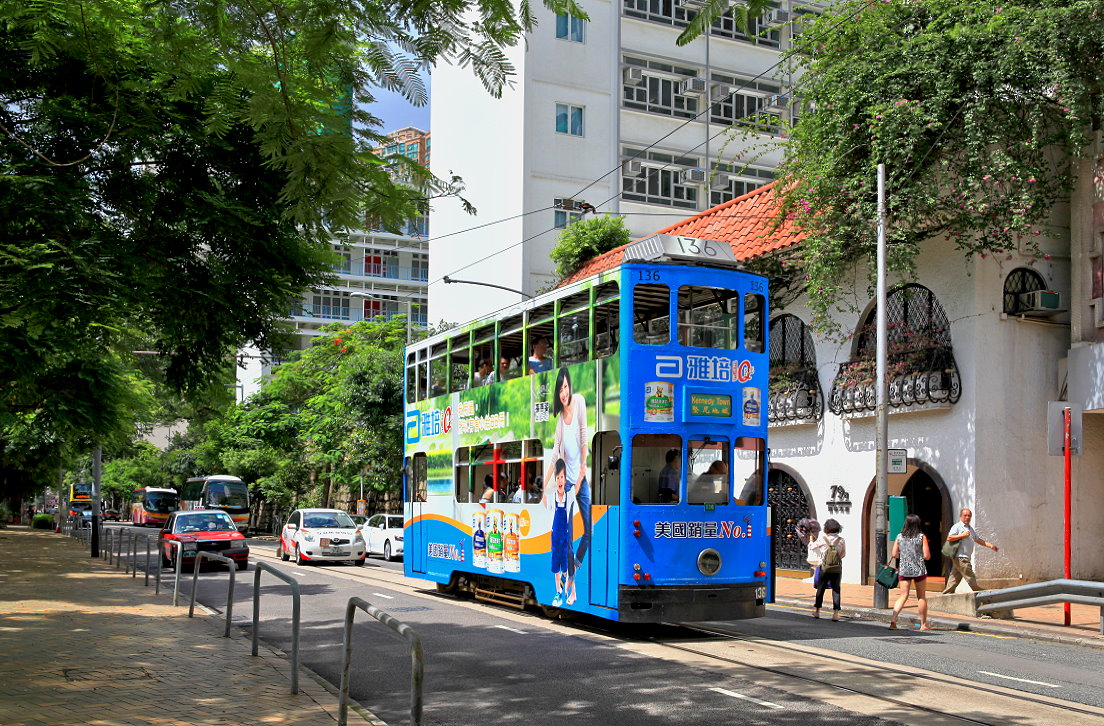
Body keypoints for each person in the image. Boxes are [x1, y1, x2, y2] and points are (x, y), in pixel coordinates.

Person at [545, 367, 590, 573]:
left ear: (570, 386)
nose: (563, 393)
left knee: (588, 531)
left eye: (565, 387)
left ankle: (575, 564)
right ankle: (569, 575)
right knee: (569, 534)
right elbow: (555, 454)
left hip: (581, 479)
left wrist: (582, 472)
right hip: (568, 483)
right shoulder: (560, 421)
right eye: (559, 390)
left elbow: (583, 437)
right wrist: (544, 486)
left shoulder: (579, 401)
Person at [941, 508, 999, 594]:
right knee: (970, 576)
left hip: (964, 557)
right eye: (965, 515)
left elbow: (977, 540)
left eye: (969, 516)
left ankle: (944, 596)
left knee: (954, 580)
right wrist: (962, 535)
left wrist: (990, 545)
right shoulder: (957, 526)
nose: (967, 517)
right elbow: (949, 538)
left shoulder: (970, 528)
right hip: (960, 557)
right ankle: (981, 593)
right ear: (961, 516)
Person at [543, 459, 577, 607]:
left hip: (566, 536)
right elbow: (545, 502)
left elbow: (575, 486)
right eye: (557, 478)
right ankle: (558, 593)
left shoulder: (570, 496)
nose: (559, 481)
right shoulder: (552, 497)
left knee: (568, 566)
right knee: (556, 568)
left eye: (562, 477)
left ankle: (572, 593)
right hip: (555, 536)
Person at [890, 513, 932, 630]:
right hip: (919, 570)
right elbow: (927, 556)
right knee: (921, 597)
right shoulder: (921, 537)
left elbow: (894, 554)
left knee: (903, 596)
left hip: (904, 569)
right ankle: (923, 624)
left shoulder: (899, 537)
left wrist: (904, 555)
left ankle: (893, 619)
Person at [810, 518, 845, 621]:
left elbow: (812, 547)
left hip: (824, 568)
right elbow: (843, 554)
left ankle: (817, 611)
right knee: (836, 589)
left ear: (827, 528)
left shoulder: (823, 539)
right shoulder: (841, 540)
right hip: (837, 568)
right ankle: (836, 613)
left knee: (821, 588)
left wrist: (811, 540)